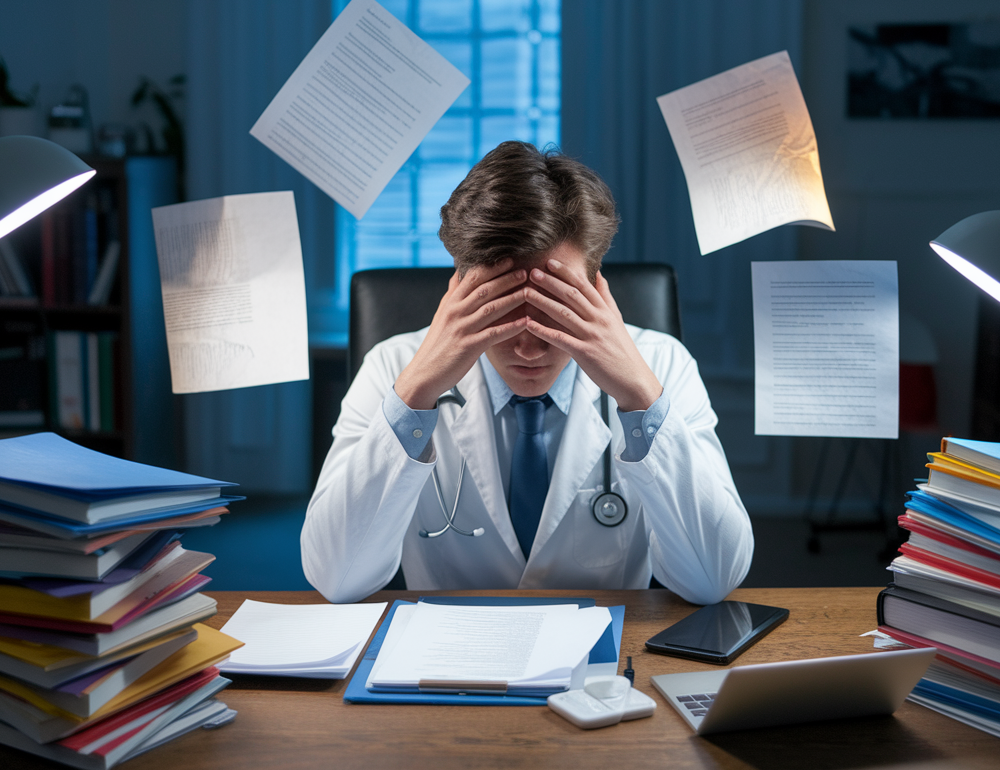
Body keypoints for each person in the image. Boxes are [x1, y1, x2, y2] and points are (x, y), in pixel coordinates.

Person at [302, 141, 753, 604]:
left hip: (602, 670)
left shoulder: (661, 365)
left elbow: (713, 579)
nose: (528, 344)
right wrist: (414, 395)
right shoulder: (394, 367)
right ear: (460, 291)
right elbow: (337, 578)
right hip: (449, 665)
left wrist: (641, 399)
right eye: (502, 310)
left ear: (595, 289)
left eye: (553, 307)